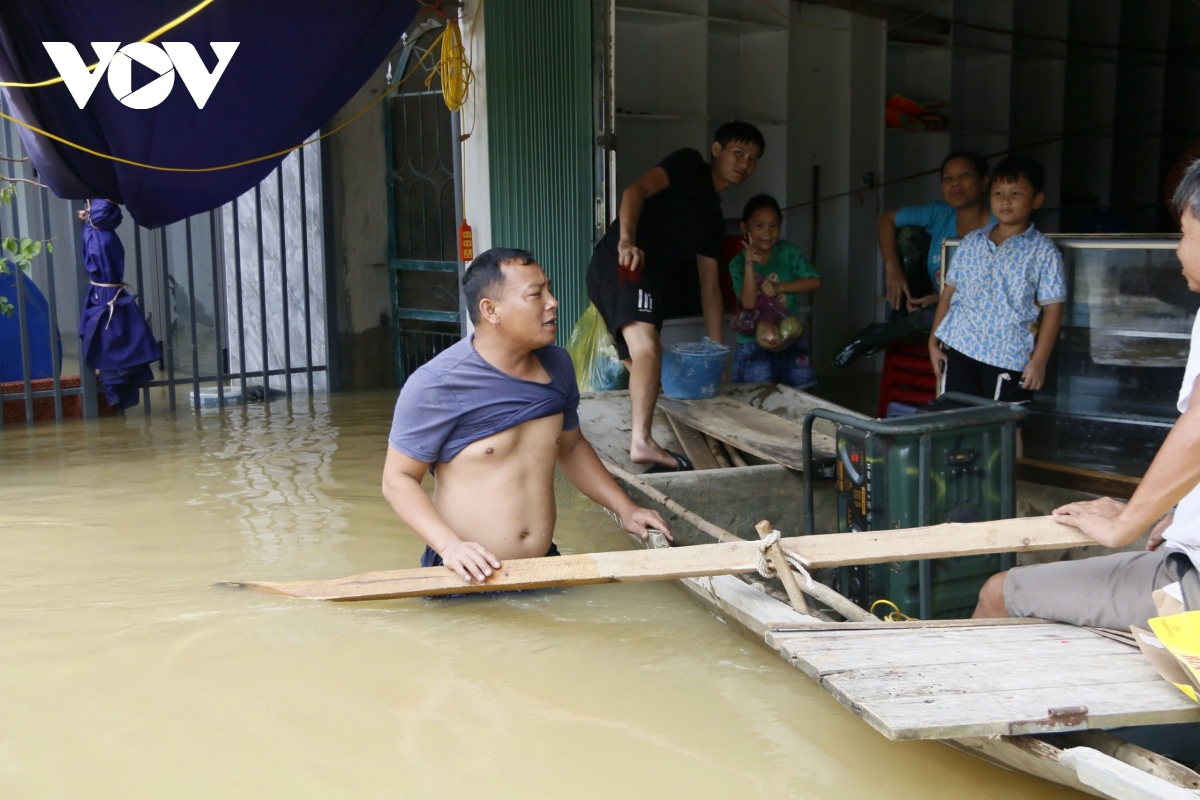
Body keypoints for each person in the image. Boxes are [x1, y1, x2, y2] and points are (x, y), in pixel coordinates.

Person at [972, 158, 1200, 630]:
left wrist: (1127, 521)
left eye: (1184, 233)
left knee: (999, 594)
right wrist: (1173, 511)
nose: (1178, 250)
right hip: (1183, 554)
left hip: (1190, 584)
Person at [382, 247, 670, 583]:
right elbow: (397, 480)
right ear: (490, 310)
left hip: (543, 567)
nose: (552, 302)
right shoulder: (436, 385)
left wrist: (626, 508)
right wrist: (450, 547)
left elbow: (572, 447)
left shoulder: (558, 365)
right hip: (465, 576)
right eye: (535, 295)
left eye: (549, 289)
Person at [586, 121, 765, 472]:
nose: (745, 163)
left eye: (753, 158)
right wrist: (626, 240)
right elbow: (634, 192)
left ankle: (648, 449)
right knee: (649, 350)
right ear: (717, 149)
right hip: (623, 261)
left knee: (650, 375)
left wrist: (717, 352)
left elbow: (710, 289)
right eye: (738, 152)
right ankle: (641, 442)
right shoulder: (688, 165)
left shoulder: (712, 220)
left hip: (643, 280)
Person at [927, 155, 1065, 406]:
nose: (1005, 201)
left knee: (1007, 428)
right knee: (955, 421)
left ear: (1037, 200)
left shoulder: (1043, 251)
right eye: (998, 193)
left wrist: (1039, 361)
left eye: (1016, 193)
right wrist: (933, 341)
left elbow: (1054, 309)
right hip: (961, 347)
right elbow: (949, 294)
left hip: (1009, 357)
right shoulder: (971, 242)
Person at [877, 152, 993, 311]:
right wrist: (893, 266)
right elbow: (885, 219)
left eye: (964, 175)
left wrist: (941, 301)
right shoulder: (939, 214)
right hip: (943, 310)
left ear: (984, 182)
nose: (955, 183)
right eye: (948, 178)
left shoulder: (1003, 225)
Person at [728, 194, 822, 388]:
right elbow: (748, 303)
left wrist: (779, 287)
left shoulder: (788, 252)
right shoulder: (737, 263)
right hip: (753, 343)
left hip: (790, 337)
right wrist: (749, 267)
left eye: (774, 226)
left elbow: (815, 282)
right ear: (745, 228)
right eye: (759, 226)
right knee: (756, 399)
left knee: (799, 397)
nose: (767, 233)